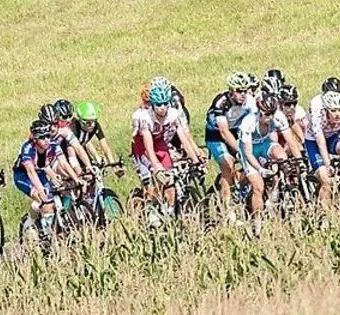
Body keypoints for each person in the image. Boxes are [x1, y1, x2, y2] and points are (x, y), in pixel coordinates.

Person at [132, 84, 203, 216]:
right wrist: (156, 166)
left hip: (160, 144)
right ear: (152, 105)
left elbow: (183, 138)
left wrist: (195, 160)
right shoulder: (145, 118)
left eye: (165, 103)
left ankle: (169, 212)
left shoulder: (173, 114)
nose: (162, 107)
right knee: (158, 178)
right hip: (143, 147)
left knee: (170, 182)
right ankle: (152, 209)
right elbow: (148, 147)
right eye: (159, 104)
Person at [204, 72, 256, 209]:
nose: (243, 94)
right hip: (216, 134)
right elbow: (224, 132)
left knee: (253, 159)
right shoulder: (221, 102)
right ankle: (227, 209)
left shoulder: (250, 101)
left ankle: (239, 181)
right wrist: (240, 150)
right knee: (227, 165)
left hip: (235, 131)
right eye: (239, 91)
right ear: (231, 90)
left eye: (245, 90)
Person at [12, 121, 64, 245]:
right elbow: (30, 171)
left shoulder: (48, 146)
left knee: (55, 195)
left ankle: (49, 227)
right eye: (42, 137)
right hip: (23, 176)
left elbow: (46, 166)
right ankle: (30, 224)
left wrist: (58, 178)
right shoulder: (27, 148)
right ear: (35, 139)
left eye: (48, 136)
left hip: (39, 173)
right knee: (43, 199)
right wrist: (40, 189)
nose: (46, 140)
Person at [237, 93, 288, 216]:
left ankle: (274, 193)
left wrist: (298, 160)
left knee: (282, 157)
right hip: (248, 149)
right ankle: (258, 220)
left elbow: (289, 139)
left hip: (264, 144)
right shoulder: (248, 122)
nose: (270, 117)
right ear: (259, 112)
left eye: (273, 113)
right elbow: (248, 153)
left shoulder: (278, 117)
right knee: (258, 187)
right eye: (267, 114)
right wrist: (260, 169)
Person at [71, 101, 123, 176]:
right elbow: (76, 149)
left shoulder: (95, 126)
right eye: (88, 123)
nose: (92, 125)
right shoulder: (73, 129)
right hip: (70, 152)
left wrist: (114, 166)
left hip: (82, 150)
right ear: (81, 121)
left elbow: (105, 147)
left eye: (94, 121)